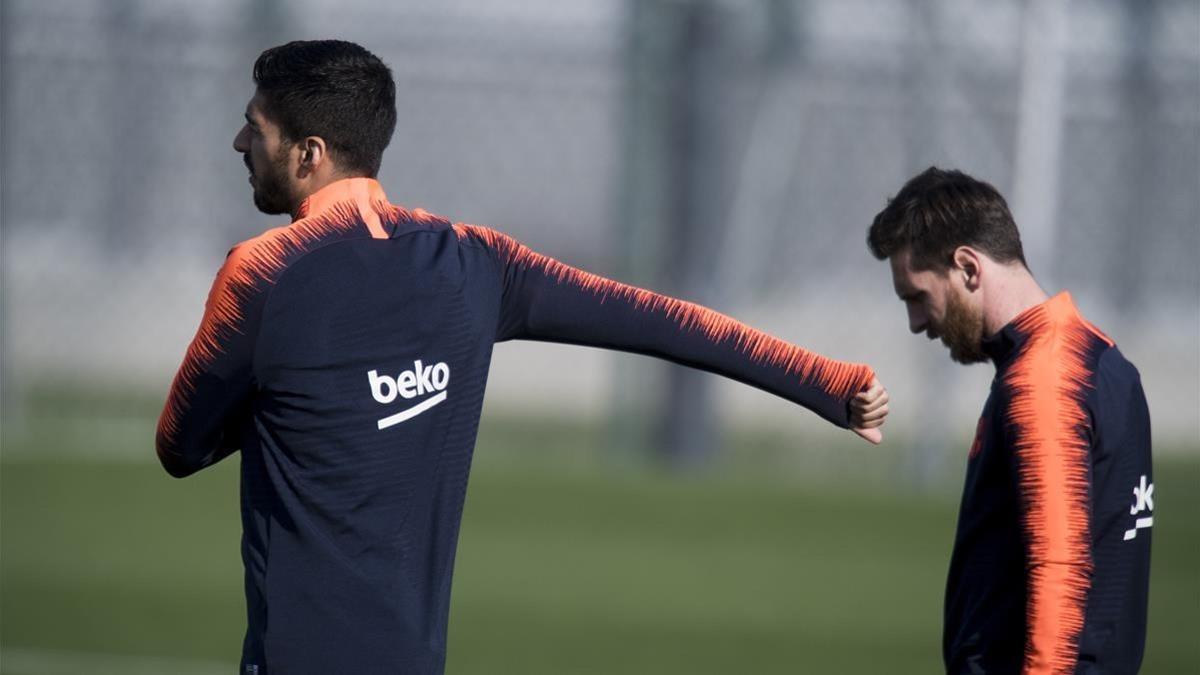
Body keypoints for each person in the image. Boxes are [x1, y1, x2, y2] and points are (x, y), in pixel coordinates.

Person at [157, 40, 888, 674]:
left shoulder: (261, 273)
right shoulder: (477, 262)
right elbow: (661, 320)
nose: (238, 144)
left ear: (308, 153)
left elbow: (179, 445)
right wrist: (828, 382)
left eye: (254, 128)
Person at [867, 167, 1152, 674]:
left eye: (916, 296)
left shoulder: (1044, 381)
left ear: (968, 268)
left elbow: (1059, 572)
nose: (915, 323)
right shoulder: (1104, 362)